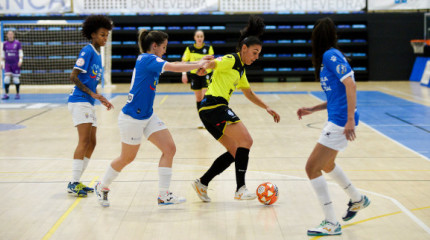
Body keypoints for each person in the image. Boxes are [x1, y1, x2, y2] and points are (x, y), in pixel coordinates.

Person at [94, 29, 209, 207]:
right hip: (132, 118)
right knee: (127, 158)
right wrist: (197, 64)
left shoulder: (152, 60)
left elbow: (176, 63)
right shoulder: (147, 59)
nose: (165, 51)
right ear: (154, 46)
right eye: (163, 47)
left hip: (147, 115)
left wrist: (198, 64)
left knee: (169, 148)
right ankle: (102, 186)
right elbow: (174, 66)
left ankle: (163, 195)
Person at [191, 15, 280, 202]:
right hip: (215, 106)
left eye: (259, 54)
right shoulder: (231, 59)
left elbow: (248, 93)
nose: (256, 57)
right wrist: (204, 66)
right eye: (254, 52)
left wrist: (267, 108)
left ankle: (203, 182)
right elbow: (215, 62)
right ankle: (240, 189)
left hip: (207, 111)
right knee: (246, 140)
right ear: (244, 48)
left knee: (234, 151)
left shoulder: (240, 69)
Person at [296, 17, 370, 236]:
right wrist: (313, 108)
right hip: (337, 116)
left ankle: (331, 222)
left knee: (312, 168)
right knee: (327, 165)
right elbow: (337, 95)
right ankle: (357, 199)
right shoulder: (327, 59)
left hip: (340, 120)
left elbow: (351, 85)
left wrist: (348, 119)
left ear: (317, 37)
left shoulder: (331, 55)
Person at [67, 15, 114, 197]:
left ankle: (77, 181)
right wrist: (91, 93)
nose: (105, 38)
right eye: (102, 35)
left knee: (92, 142)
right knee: (84, 141)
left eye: (107, 35)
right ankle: (73, 182)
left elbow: (92, 84)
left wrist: (100, 97)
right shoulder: (87, 51)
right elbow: (73, 76)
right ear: (93, 34)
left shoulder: (97, 53)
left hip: (87, 102)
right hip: (79, 101)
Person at [181, 30, 214, 128]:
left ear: (203, 38)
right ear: (194, 38)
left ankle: (208, 120)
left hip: (205, 74)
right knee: (199, 98)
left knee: (204, 97)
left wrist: (204, 68)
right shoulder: (190, 48)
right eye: (198, 36)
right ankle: (203, 120)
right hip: (194, 75)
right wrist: (184, 74)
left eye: (201, 36)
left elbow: (211, 62)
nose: (199, 38)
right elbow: (184, 61)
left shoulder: (208, 48)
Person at [1, 31, 23, 100]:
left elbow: (20, 52)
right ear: (7, 35)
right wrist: (2, 62)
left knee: (16, 79)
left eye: (11, 34)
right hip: (7, 64)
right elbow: (3, 54)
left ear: (13, 35)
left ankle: (17, 94)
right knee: (6, 79)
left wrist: (20, 61)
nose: (10, 35)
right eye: (9, 34)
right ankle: (6, 94)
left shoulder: (17, 43)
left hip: (15, 64)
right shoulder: (5, 44)